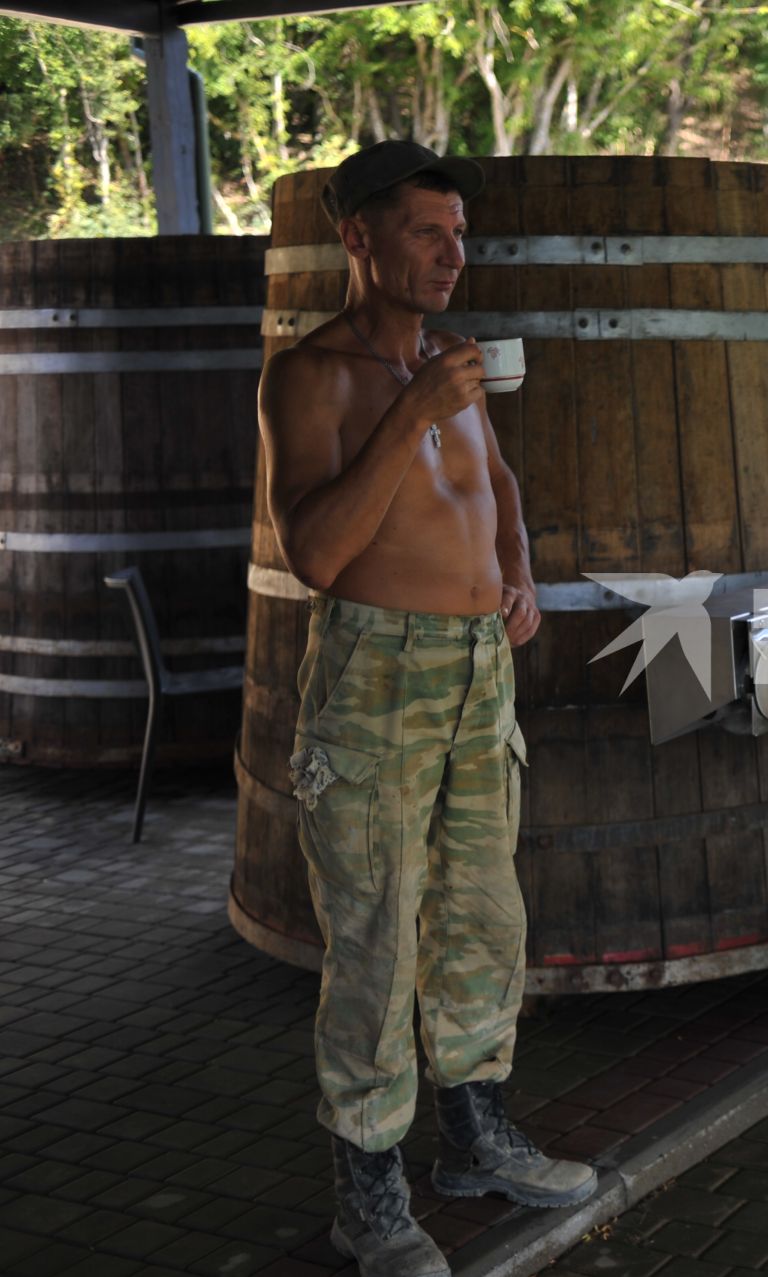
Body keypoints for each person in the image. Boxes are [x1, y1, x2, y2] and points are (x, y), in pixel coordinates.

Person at [257, 141, 593, 1277]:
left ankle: (477, 1141)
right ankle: (369, 1194)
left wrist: (520, 570)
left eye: (461, 234)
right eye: (428, 233)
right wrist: (412, 411)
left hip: (473, 670)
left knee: (483, 918)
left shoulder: (454, 360)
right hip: (375, 675)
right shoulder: (311, 377)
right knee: (375, 934)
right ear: (359, 238)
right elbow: (317, 554)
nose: (456, 255)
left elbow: (492, 481)